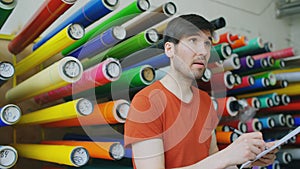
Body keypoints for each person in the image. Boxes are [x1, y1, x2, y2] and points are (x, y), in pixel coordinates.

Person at [124, 14, 278, 169]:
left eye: (207, 44)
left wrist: (246, 160)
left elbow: (212, 162)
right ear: (169, 49)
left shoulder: (205, 101)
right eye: (193, 41)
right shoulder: (146, 103)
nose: (203, 52)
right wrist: (226, 156)